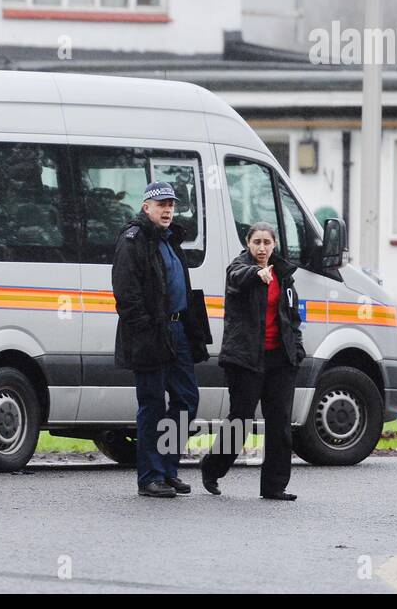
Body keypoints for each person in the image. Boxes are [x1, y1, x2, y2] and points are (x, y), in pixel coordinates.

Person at [112, 181, 212, 498]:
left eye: (171, 204)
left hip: (179, 330)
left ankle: (168, 471)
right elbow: (127, 296)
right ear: (146, 207)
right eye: (161, 204)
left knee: (187, 401)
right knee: (152, 406)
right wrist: (145, 331)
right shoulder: (133, 240)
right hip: (151, 334)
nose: (167, 209)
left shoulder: (170, 240)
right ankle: (150, 477)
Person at [201, 222, 305, 501]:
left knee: (280, 422)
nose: (262, 248)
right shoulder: (239, 269)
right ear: (248, 243)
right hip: (245, 359)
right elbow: (238, 276)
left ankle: (274, 486)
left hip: (280, 360)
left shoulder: (284, 275)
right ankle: (212, 468)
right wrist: (257, 273)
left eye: (267, 243)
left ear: (274, 245)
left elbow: (293, 318)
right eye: (256, 242)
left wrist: (296, 350)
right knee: (241, 419)